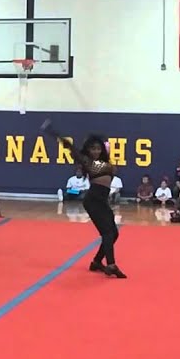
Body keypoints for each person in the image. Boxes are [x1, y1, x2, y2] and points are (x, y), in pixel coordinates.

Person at [42, 119, 125, 278]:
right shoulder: (87, 161)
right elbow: (69, 146)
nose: (96, 151)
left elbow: (107, 157)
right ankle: (111, 264)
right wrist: (52, 132)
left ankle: (96, 262)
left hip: (102, 200)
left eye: (98, 148)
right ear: (88, 150)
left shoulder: (105, 162)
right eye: (93, 149)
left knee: (114, 233)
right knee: (107, 233)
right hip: (93, 200)